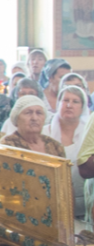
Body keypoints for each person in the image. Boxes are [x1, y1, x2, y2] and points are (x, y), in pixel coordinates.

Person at [43, 85, 89, 218]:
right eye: (65, 100)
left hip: (85, 201)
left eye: (75, 101)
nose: (69, 105)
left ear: (82, 107)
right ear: (58, 104)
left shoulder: (89, 135)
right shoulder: (44, 132)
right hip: (52, 203)